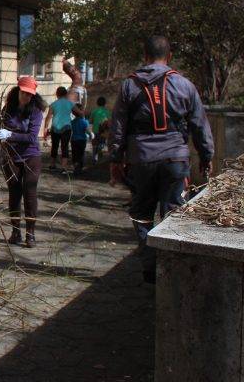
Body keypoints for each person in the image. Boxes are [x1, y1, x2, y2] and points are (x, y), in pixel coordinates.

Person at [108, 36, 214, 284]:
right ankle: (170, 270)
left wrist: (115, 159)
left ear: (144, 56)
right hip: (175, 159)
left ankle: (150, 265)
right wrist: (206, 156)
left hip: (142, 159)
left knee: (141, 213)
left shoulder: (129, 86)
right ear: (169, 56)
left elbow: (118, 127)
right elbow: (200, 124)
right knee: (173, 213)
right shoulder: (184, 85)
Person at [0, 76, 47, 248]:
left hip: (31, 156)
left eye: (30, 95)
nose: (27, 97)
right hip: (11, 157)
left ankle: (30, 235)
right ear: (18, 91)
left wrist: (10, 135)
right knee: (14, 193)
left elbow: (31, 137)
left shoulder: (36, 111)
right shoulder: (8, 109)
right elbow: (1, 127)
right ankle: (15, 232)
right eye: (24, 93)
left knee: (29, 192)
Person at [43, 86, 78, 173]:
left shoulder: (53, 104)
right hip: (66, 127)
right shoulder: (70, 103)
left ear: (57, 94)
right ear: (66, 94)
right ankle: (64, 167)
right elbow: (79, 112)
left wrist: (45, 128)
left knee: (54, 146)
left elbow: (48, 117)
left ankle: (52, 164)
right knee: (64, 147)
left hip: (55, 128)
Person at [70, 104, 90, 174]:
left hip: (74, 140)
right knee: (81, 154)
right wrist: (91, 135)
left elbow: (70, 131)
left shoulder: (72, 122)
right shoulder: (85, 122)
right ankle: (80, 168)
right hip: (82, 140)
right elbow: (87, 131)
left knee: (75, 154)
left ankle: (75, 167)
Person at [90, 96, 111, 163]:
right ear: (105, 104)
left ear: (97, 103)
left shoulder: (94, 111)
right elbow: (109, 122)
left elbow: (91, 121)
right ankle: (100, 155)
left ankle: (94, 159)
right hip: (103, 131)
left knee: (94, 145)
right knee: (101, 143)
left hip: (95, 130)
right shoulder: (107, 112)